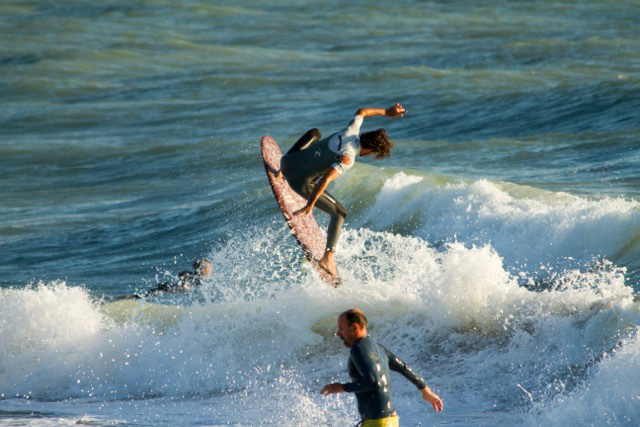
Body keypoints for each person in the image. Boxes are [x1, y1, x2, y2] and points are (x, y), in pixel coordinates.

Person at [277, 104, 407, 276]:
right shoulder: (348, 157)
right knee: (340, 214)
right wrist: (310, 204)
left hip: (286, 161)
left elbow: (362, 112)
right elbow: (325, 180)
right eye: (374, 153)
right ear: (371, 149)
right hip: (297, 181)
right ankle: (328, 258)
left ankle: (280, 172)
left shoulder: (351, 130)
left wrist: (387, 113)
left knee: (315, 134)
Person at [321, 309, 443, 426]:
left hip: (377, 423)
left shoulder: (358, 349)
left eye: (341, 329)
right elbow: (403, 367)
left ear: (354, 328)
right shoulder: (377, 347)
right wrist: (425, 390)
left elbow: (374, 382)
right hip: (390, 420)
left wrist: (341, 387)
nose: (338, 333)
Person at [114, 258, 213, 300]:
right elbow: (182, 275)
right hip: (166, 288)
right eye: (209, 268)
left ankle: (120, 298)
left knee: (142, 296)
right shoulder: (195, 277)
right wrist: (184, 284)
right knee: (140, 296)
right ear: (203, 269)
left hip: (166, 288)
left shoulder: (198, 279)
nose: (210, 271)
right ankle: (120, 298)